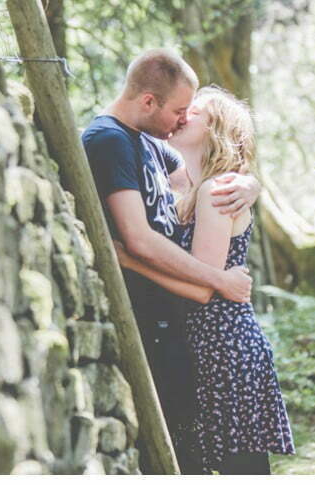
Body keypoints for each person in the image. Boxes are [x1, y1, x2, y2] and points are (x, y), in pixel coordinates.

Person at [81, 49, 261, 474]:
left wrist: (251, 184)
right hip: (147, 328)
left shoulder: (149, 141)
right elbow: (138, 239)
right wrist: (218, 279)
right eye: (180, 111)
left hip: (182, 330)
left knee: (216, 461)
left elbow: (210, 171)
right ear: (148, 102)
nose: (182, 120)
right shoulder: (109, 140)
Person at [114, 85, 295, 475]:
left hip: (225, 347)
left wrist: (128, 259)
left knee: (242, 470)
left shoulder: (217, 191)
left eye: (195, 112)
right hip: (209, 346)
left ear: (216, 130)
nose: (183, 115)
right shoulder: (190, 188)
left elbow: (201, 290)